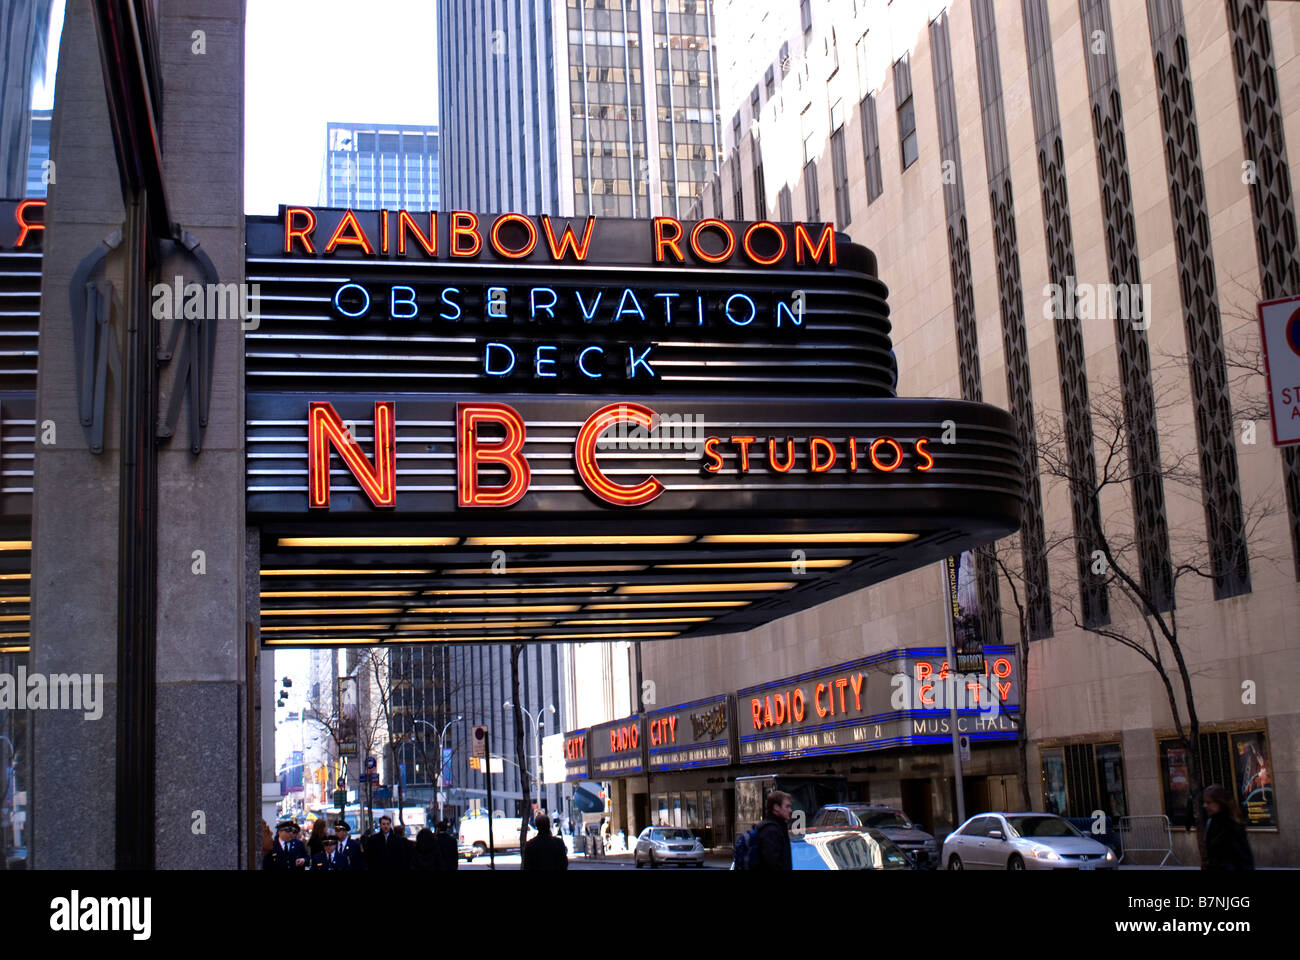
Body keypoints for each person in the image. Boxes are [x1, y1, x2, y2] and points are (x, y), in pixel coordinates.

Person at [1203, 784, 1254, 870]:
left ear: (1219, 802)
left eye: (1209, 802)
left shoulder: (1233, 825)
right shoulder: (1210, 823)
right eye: (1204, 802)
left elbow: (1244, 858)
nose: (1205, 806)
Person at [754, 790, 793, 871]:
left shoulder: (776, 827)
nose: (790, 810)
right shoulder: (770, 830)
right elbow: (773, 863)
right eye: (787, 806)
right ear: (776, 807)